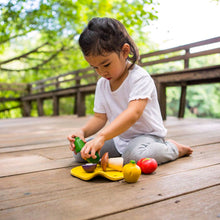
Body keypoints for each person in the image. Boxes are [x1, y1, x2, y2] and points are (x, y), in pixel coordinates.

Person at [67, 17, 193, 165]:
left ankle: (173, 148)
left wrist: (101, 137)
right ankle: (121, 152)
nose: (101, 72)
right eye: (95, 67)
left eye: (106, 64)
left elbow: (133, 114)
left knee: (134, 157)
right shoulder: (102, 84)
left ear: (125, 51)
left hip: (147, 137)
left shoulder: (139, 78)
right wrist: (83, 132)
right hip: (119, 137)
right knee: (82, 154)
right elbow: (99, 118)